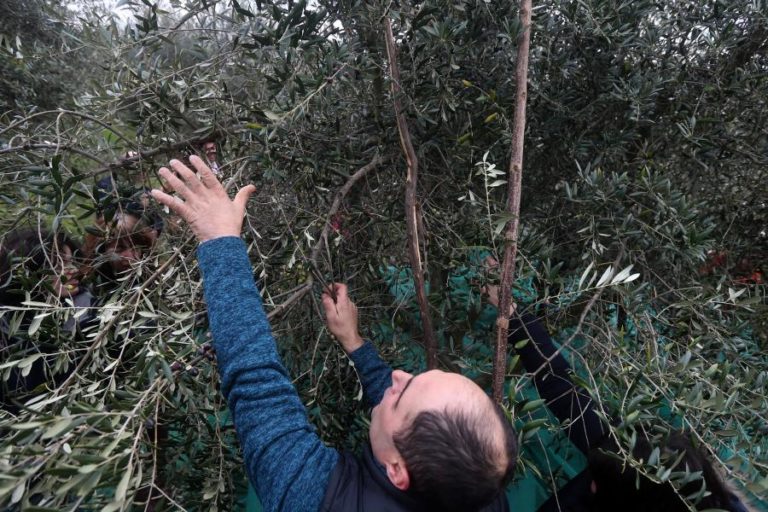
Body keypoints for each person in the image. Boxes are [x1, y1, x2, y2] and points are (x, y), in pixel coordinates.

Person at [150, 156, 517, 512]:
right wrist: (354, 343)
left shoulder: (317, 499)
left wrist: (220, 240)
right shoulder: (481, 490)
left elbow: (255, 382)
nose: (399, 376)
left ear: (396, 470)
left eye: (401, 394)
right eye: (417, 378)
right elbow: (406, 423)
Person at [484, 287, 753, 512]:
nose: (590, 484)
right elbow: (567, 393)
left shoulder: (626, 481)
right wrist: (514, 315)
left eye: (598, 482)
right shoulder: (630, 460)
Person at [0, 229, 94, 410]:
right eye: (59, 264)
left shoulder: (88, 313)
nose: (73, 271)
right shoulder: (6, 323)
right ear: (29, 272)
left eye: (72, 261)